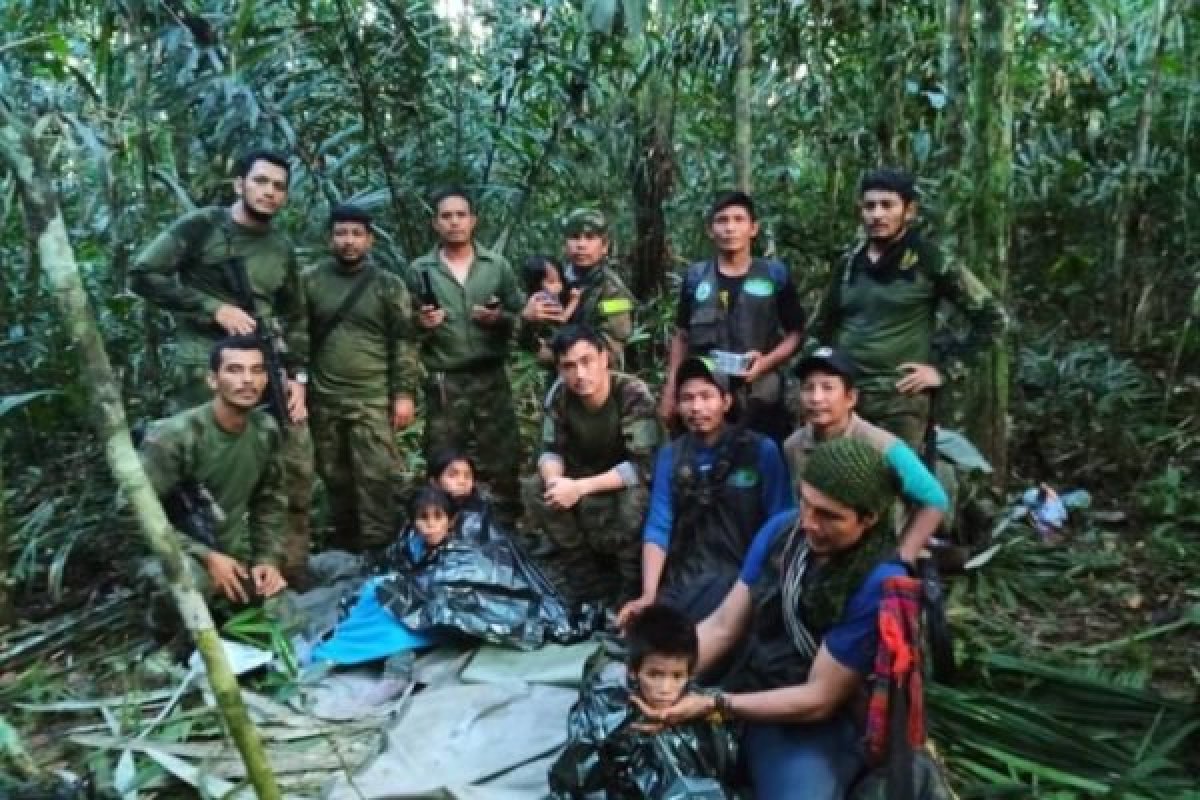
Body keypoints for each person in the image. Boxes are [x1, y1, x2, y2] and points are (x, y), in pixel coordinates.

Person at [633, 438, 912, 799]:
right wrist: (661, 676)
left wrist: (715, 705)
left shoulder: (876, 583)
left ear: (868, 519)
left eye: (828, 515)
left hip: (810, 717)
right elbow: (722, 626)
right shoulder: (783, 530)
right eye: (806, 504)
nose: (809, 523)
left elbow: (820, 698)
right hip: (752, 678)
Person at [131, 148, 314, 585]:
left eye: (278, 187)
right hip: (205, 367)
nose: (269, 193)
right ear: (240, 184)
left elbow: (295, 316)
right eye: (261, 182)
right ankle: (203, 567)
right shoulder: (202, 228)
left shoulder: (280, 248)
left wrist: (297, 377)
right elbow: (143, 274)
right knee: (202, 470)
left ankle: (278, 568)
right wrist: (212, 308)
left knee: (286, 463)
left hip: (265, 367)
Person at [809, 168, 1008, 448]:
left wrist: (944, 370)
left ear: (909, 211)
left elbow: (993, 319)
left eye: (887, 205)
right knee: (835, 480)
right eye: (870, 206)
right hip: (846, 398)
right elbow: (819, 328)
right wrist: (816, 381)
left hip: (899, 401)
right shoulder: (849, 263)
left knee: (894, 484)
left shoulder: (931, 260)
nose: (877, 214)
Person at [618, 356, 794, 625]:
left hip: (743, 577)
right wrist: (649, 594)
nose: (696, 407)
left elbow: (781, 522)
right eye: (687, 398)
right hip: (687, 576)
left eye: (706, 396)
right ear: (677, 405)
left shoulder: (760, 450)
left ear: (726, 402)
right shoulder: (671, 456)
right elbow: (659, 525)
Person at [138, 336, 288, 608]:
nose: (247, 380)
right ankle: (171, 640)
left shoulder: (266, 430)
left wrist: (267, 559)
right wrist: (205, 557)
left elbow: (270, 500)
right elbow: (132, 513)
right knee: (190, 585)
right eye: (234, 370)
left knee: (279, 606)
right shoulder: (174, 437)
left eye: (256, 370)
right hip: (170, 549)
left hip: (227, 547)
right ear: (212, 380)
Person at [405, 188, 525, 526]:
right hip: (446, 378)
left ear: (473, 220)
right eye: (446, 216)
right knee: (443, 454)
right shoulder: (420, 270)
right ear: (435, 223)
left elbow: (522, 317)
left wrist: (497, 319)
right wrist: (422, 323)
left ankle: (503, 529)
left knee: (501, 453)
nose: (454, 222)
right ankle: (445, 528)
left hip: (490, 375)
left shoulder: (496, 266)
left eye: (461, 215)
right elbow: (405, 327)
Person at [303, 204, 419, 554]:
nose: (348, 241)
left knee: (377, 478)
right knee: (336, 477)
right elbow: (297, 335)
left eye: (356, 234)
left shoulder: (387, 285)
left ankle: (380, 551)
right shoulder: (309, 280)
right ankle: (346, 547)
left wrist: (403, 394)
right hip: (324, 398)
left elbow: (404, 341)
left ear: (369, 240)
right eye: (341, 233)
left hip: (372, 397)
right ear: (329, 238)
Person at [523, 325, 659, 606]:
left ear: (604, 358)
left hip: (621, 480)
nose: (579, 375)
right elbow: (549, 451)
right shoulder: (559, 396)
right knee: (536, 487)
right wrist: (554, 484)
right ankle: (583, 576)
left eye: (587, 362)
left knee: (637, 497)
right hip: (580, 475)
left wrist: (580, 488)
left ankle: (631, 584)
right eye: (569, 366)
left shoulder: (631, 393)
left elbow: (643, 465)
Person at [548, 604, 738, 798]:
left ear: (690, 674)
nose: (665, 689)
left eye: (677, 676)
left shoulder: (701, 708)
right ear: (633, 671)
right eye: (654, 675)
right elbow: (579, 776)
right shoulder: (609, 712)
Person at [659, 191, 805, 442]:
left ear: (753, 228)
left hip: (759, 392)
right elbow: (682, 335)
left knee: (761, 459)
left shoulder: (774, 275)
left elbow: (796, 333)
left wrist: (766, 362)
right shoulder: (696, 278)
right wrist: (672, 388)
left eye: (739, 220)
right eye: (722, 220)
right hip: (706, 394)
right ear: (710, 229)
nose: (730, 228)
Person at [783, 346, 948, 562]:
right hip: (819, 550)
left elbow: (934, 500)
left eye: (827, 388)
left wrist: (903, 556)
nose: (816, 398)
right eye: (808, 388)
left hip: (874, 555)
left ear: (850, 398)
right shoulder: (793, 445)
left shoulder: (882, 445)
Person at [522, 209, 636, 368]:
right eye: (575, 237)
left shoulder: (614, 293)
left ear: (604, 246)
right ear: (565, 244)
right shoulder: (554, 279)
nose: (581, 245)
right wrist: (527, 320)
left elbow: (611, 349)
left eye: (590, 238)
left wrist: (556, 355)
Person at [519, 255, 581, 369]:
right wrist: (575, 301)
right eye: (551, 282)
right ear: (537, 284)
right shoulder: (543, 299)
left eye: (560, 280)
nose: (559, 286)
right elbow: (562, 318)